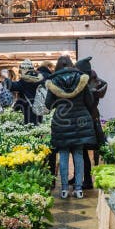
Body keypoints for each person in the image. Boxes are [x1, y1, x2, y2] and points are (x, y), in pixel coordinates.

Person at [45, 55, 97, 199]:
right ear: (71, 64)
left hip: (61, 123)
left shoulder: (53, 82)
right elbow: (89, 100)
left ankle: (64, 190)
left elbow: (48, 104)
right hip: (81, 121)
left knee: (63, 154)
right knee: (78, 154)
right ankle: (79, 189)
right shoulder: (81, 79)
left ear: (57, 66)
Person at [75, 56, 108, 190]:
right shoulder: (96, 83)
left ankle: (88, 180)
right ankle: (95, 178)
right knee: (97, 149)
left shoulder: (86, 85)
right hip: (93, 119)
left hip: (85, 121)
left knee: (83, 152)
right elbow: (104, 83)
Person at [10, 59, 45, 125]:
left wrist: (6, 80)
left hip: (29, 110)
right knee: (39, 127)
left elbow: (14, 87)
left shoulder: (25, 80)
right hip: (39, 108)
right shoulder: (39, 79)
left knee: (31, 128)